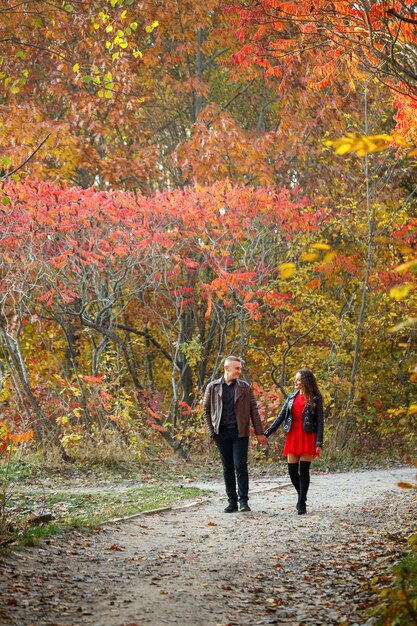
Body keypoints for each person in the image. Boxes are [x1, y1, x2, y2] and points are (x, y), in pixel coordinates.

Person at [203, 356, 267, 513]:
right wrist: (212, 432)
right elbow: (205, 410)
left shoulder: (245, 387)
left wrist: (259, 432)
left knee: (240, 466)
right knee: (227, 468)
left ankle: (243, 501)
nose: (240, 371)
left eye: (240, 368)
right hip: (221, 433)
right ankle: (231, 502)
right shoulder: (213, 387)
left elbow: (254, 410)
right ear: (227, 368)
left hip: (240, 432)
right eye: (237, 368)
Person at [264, 368, 323, 515]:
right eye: (295, 379)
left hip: (308, 435)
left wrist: (319, 443)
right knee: (291, 471)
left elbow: (320, 422)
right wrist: (266, 434)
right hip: (293, 434)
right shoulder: (291, 397)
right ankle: (301, 496)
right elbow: (280, 417)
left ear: (306, 381)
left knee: (304, 471)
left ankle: (301, 502)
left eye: (298, 379)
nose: (295, 382)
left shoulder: (316, 398)